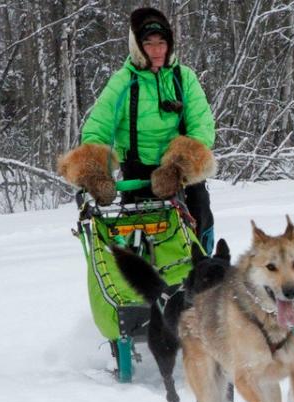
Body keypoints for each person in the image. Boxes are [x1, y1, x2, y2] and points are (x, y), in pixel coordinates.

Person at [57, 7, 217, 251]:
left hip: (180, 176)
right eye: (149, 43)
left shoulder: (184, 78)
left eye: (162, 42)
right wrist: (95, 173)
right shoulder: (123, 82)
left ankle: (206, 268)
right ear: (137, 46)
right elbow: (96, 131)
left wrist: (177, 168)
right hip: (138, 176)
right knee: (139, 248)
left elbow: (202, 127)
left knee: (198, 220)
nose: (157, 50)